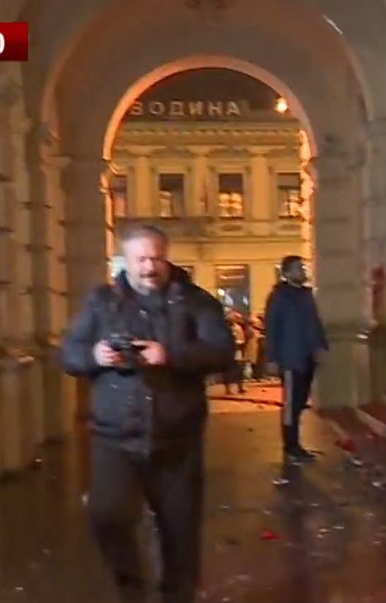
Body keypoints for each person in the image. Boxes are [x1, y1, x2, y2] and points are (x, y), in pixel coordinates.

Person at [60, 223, 235, 603]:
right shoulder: (101, 302)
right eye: (140, 259)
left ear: (166, 255)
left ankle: (177, 595)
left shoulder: (196, 302)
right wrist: (95, 356)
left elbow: (222, 352)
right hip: (115, 436)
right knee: (106, 517)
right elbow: (68, 354)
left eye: (155, 257)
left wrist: (169, 354)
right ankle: (131, 589)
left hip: (177, 438)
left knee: (179, 531)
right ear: (126, 259)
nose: (148, 267)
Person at [264, 255, 328, 463]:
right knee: (291, 404)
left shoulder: (306, 295)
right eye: (299, 268)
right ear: (288, 273)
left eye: (303, 267)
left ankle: (296, 445)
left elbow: (315, 323)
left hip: (309, 357)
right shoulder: (279, 297)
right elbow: (272, 328)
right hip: (290, 358)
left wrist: (320, 346)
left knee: (300, 402)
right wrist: (272, 358)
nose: (303, 271)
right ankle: (291, 447)